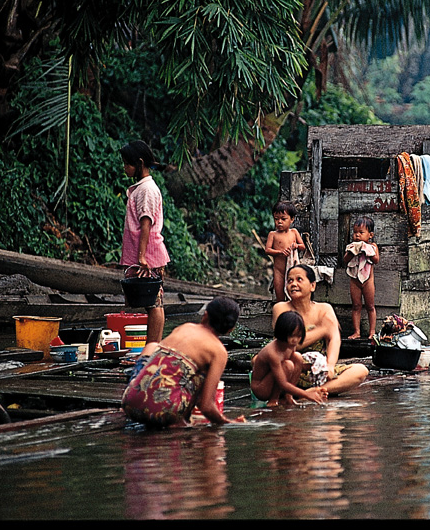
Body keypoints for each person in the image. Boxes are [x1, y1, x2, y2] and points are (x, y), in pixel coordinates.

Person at [122, 296, 247, 427]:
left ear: (205, 316)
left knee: (152, 346)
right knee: (202, 372)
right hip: (163, 412)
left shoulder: (185, 327)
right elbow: (206, 406)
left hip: (129, 402)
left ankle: (138, 395)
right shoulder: (218, 352)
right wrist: (228, 422)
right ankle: (180, 421)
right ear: (230, 329)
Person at [271, 264, 369, 395]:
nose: (293, 284)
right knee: (267, 366)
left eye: (299, 279)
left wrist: (330, 365)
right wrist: (321, 330)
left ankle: (314, 392)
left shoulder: (324, 308)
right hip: (290, 369)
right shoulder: (281, 308)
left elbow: (334, 338)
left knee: (360, 371)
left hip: (318, 370)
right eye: (290, 281)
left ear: (312, 286)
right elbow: (286, 345)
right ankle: (302, 392)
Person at [120, 140, 171, 347]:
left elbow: (146, 222)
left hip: (148, 255)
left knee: (154, 303)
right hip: (145, 253)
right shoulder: (141, 188)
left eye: (127, 164)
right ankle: (152, 346)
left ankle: (152, 347)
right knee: (151, 303)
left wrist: (141, 256)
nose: (125, 168)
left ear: (140, 163)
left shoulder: (147, 189)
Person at [250, 310, 328, 407]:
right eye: (292, 336)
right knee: (288, 365)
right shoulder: (272, 353)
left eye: (299, 336)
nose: (295, 340)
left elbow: (296, 367)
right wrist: (307, 394)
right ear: (282, 333)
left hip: (277, 380)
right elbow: (283, 383)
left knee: (298, 357)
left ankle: (288, 397)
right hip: (261, 389)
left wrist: (314, 368)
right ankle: (273, 400)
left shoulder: (290, 346)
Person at [342, 216, 379, 339]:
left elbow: (376, 260)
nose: (357, 235)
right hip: (355, 281)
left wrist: (365, 250)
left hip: (368, 281)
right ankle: (357, 332)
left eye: (361, 233)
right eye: (355, 232)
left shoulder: (372, 246)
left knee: (370, 306)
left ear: (370, 235)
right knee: (356, 306)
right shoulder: (351, 246)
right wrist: (353, 252)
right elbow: (345, 260)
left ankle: (372, 331)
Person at [264, 201, 306, 302]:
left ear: (291, 219)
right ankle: (282, 314)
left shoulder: (294, 232)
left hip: (292, 271)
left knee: (294, 296)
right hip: (279, 271)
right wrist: (279, 252)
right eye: (276, 219)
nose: (279, 222)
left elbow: (303, 246)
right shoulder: (273, 234)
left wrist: (296, 245)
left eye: (283, 219)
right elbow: (267, 250)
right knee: (280, 297)